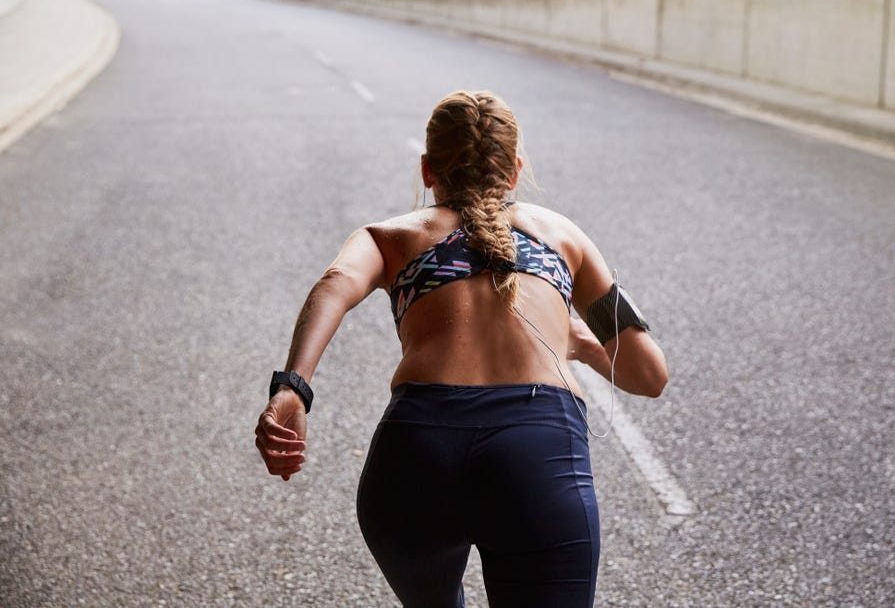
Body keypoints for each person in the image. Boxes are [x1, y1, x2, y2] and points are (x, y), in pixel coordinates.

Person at [254, 90, 668, 607]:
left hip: (415, 455)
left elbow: (335, 282)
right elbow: (649, 375)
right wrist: (581, 344)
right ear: (514, 170)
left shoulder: (390, 235)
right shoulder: (564, 237)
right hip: (536, 456)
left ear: (428, 170)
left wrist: (293, 388)